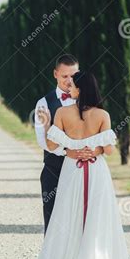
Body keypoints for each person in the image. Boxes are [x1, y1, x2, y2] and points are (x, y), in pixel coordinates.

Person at [0, 71, 130, 259]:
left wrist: (54, 131)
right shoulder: (103, 114)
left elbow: (51, 144)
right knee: (95, 219)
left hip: (72, 170)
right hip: (96, 172)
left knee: (69, 216)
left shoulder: (62, 113)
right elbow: (110, 150)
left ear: (79, 89)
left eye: (72, 85)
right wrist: (95, 149)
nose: (69, 87)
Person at [34, 55, 103, 235]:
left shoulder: (91, 104)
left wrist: (92, 151)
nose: (69, 81)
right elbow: (43, 140)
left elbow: (101, 135)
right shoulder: (44, 103)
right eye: (64, 76)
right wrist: (68, 152)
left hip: (83, 171)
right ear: (55, 74)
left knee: (82, 220)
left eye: (73, 76)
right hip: (54, 169)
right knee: (53, 220)